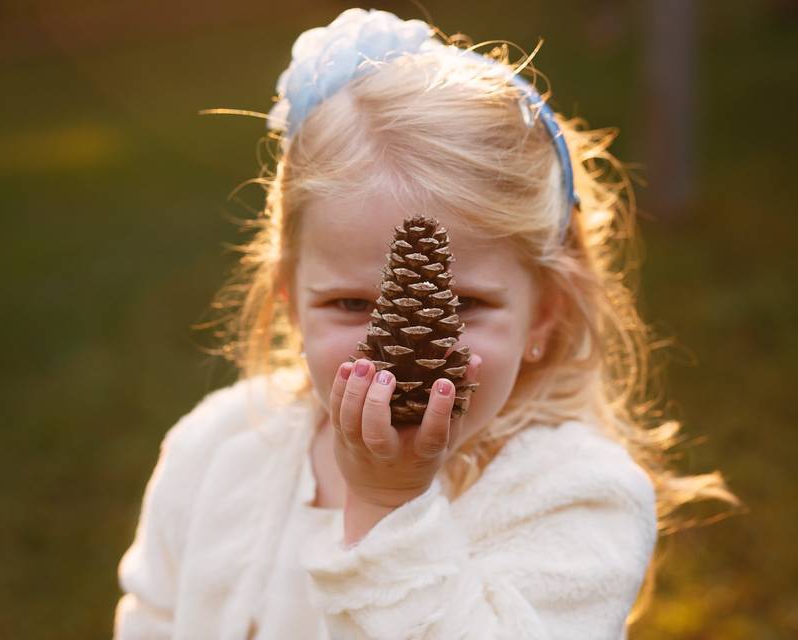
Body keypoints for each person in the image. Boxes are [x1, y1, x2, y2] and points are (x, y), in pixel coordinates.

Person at [113, 8, 739, 639]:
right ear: (289, 299)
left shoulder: (578, 495)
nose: (397, 347)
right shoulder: (216, 449)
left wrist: (389, 507)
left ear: (544, 312)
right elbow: (151, 619)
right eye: (351, 305)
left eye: (460, 304)